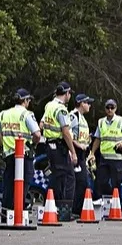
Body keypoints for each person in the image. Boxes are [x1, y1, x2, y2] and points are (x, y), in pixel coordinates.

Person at [0, 89, 42, 212]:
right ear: (25, 101)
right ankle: (17, 210)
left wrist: (2, 145)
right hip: (23, 154)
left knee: (9, 182)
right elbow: (37, 134)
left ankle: (6, 210)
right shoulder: (26, 114)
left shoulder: (4, 114)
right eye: (28, 100)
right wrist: (33, 145)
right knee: (24, 180)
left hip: (8, 154)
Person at [88, 99, 122, 200]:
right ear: (105, 109)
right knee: (100, 183)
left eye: (112, 107)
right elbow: (98, 138)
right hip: (104, 158)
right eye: (108, 107)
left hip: (117, 159)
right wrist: (92, 153)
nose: (110, 109)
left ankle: (117, 208)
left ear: (115, 108)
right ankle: (99, 206)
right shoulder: (101, 122)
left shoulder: (121, 121)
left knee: (116, 185)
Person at [41, 82, 77, 215]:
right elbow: (66, 132)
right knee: (69, 176)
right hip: (59, 145)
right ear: (67, 93)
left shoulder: (49, 105)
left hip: (50, 145)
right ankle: (65, 209)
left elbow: (42, 123)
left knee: (56, 176)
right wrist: (73, 152)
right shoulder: (61, 109)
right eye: (69, 94)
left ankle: (51, 206)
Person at [69, 93, 94, 216]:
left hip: (83, 154)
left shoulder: (83, 118)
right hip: (76, 152)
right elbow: (67, 134)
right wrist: (77, 146)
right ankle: (74, 209)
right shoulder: (73, 116)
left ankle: (77, 210)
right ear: (80, 103)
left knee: (83, 182)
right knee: (80, 181)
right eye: (87, 102)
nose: (89, 105)